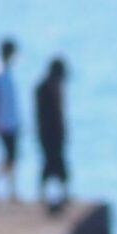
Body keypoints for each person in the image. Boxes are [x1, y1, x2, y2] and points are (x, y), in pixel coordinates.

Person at [35, 56, 71, 212]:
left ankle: (61, 193)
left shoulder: (51, 87)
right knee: (50, 163)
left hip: (54, 134)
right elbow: (42, 115)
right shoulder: (44, 88)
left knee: (58, 164)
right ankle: (45, 194)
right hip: (48, 134)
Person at [0, 39, 23, 202]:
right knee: (10, 156)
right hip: (3, 123)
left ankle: (11, 189)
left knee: (12, 157)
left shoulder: (7, 71)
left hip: (12, 121)